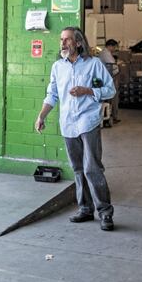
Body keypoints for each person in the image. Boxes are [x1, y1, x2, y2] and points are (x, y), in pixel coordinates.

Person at [35, 27, 117, 231]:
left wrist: (87, 90)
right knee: (78, 169)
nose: (63, 44)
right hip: (68, 123)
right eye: (61, 40)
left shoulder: (94, 65)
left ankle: (105, 212)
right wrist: (41, 116)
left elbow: (110, 90)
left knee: (93, 168)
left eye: (67, 40)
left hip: (88, 122)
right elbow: (52, 94)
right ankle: (85, 209)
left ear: (79, 43)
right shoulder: (57, 67)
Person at [98, 38, 121, 124]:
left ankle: (111, 116)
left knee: (110, 99)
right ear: (110, 46)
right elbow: (111, 65)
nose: (115, 49)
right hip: (109, 79)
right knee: (112, 98)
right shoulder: (105, 53)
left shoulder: (106, 53)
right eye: (114, 47)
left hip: (108, 78)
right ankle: (112, 117)